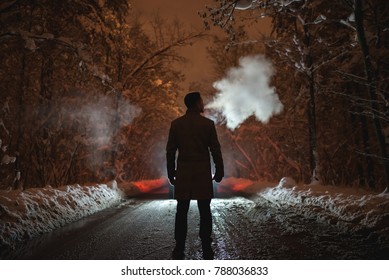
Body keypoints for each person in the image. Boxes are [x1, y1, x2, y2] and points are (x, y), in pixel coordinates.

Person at [166, 91, 224, 260]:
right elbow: (215, 149)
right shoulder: (208, 124)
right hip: (201, 173)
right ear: (196, 103)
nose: (203, 103)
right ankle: (206, 243)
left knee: (181, 210)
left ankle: (179, 245)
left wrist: (171, 172)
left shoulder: (176, 124)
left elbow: (170, 151)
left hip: (184, 172)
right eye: (201, 101)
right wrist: (219, 170)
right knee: (204, 209)